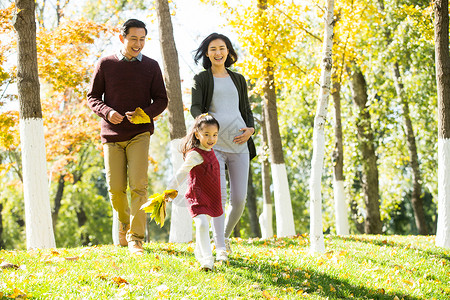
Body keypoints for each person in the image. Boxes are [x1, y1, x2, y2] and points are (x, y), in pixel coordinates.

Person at [87, 19, 168, 255]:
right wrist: (108, 112)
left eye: (142, 39)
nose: (138, 44)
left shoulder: (151, 66)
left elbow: (161, 100)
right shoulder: (106, 64)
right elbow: (92, 97)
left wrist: (145, 115)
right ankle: (124, 222)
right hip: (111, 135)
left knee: (139, 186)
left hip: (139, 134)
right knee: (115, 189)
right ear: (122, 38)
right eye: (134, 38)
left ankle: (136, 239)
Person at [191, 33, 256, 260]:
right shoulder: (201, 78)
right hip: (214, 146)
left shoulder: (238, 79)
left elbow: (246, 110)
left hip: (240, 143)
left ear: (228, 51)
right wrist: (205, 129)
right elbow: (195, 108)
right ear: (206, 53)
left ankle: (223, 237)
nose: (218, 53)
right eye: (212, 49)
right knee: (219, 198)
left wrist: (251, 129)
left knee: (239, 199)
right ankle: (220, 248)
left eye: (222, 48)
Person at [166, 114, 223, 271]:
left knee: (204, 226)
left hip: (211, 195)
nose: (211, 138)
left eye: (214, 135)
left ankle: (201, 253)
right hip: (196, 196)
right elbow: (182, 172)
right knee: (202, 224)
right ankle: (207, 260)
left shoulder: (211, 150)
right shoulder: (195, 154)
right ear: (197, 134)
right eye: (206, 135)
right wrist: (171, 188)